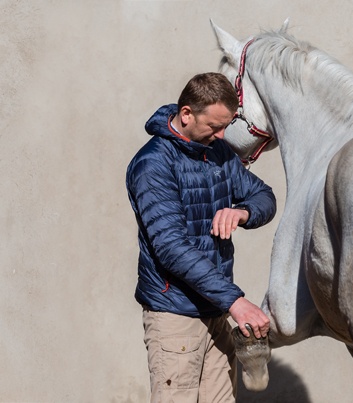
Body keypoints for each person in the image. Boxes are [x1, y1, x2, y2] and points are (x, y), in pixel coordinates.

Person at [126, 72, 276, 402]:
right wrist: (237, 302)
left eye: (226, 126)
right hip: (175, 317)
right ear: (186, 115)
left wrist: (242, 212)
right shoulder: (153, 164)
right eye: (214, 126)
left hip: (216, 311)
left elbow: (265, 197)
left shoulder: (218, 152)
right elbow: (171, 248)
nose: (222, 135)